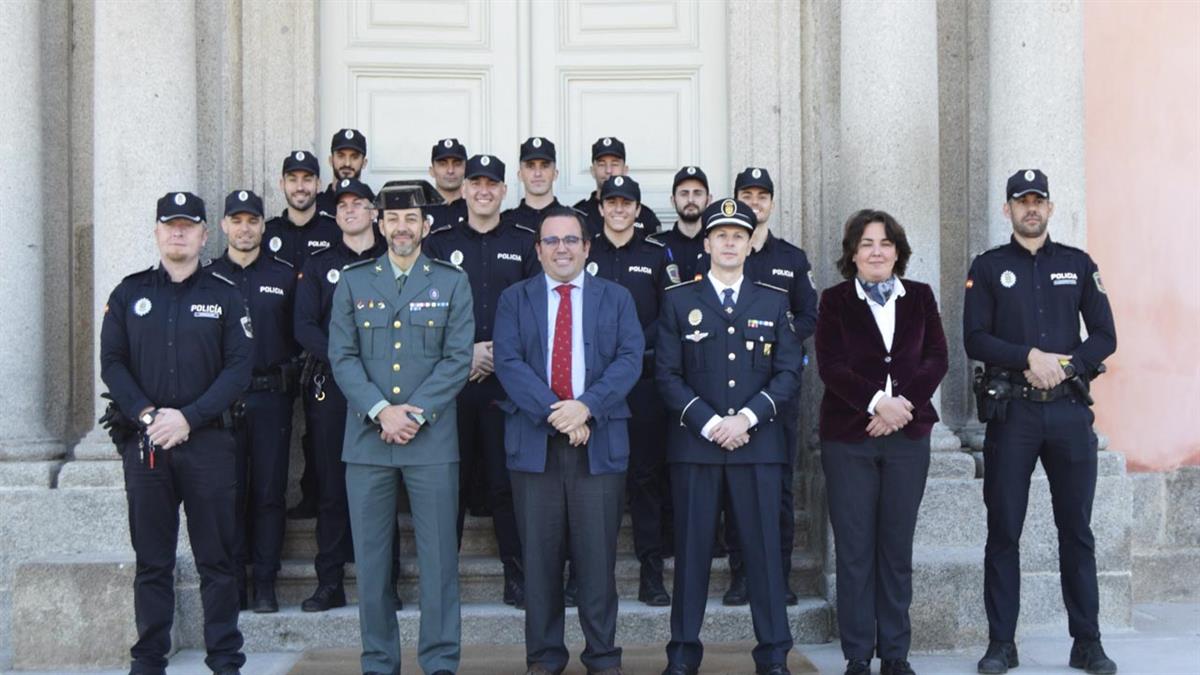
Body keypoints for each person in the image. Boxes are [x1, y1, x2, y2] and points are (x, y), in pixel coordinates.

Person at [965, 169, 1118, 675]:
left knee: (1076, 531)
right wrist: (1029, 355)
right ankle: (1001, 644)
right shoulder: (988, 267)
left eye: (1038, 201)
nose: (1030, 209)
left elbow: (1105, 335)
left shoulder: (1078, 264)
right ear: (1007, 210)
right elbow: (974, 338)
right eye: (1021, 201)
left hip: (1069, 414)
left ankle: (1087, 643)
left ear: (1050, 208)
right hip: (1014, 414)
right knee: (1003, 530)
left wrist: (1066, 366)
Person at [99, 191, 252, 675]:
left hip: (208, 444)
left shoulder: (226, 295)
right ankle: (148, 661)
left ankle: (225, 660)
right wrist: (148, 415)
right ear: (157, 233)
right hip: (147, 445)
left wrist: (188, 417)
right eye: (170, 225)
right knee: (152, 562)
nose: (179, 233)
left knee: (217, 561)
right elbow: (112, 364)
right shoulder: (128, 294)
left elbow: (238, 369)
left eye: (188, 226)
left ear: (205, 235)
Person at [329, 180, 473, 675]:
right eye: (393, 219)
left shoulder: (452, 282)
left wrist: (412, 413)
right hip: (367, 441)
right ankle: (378, 662)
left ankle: (440, 661)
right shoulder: (354, 281)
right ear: (380, 224)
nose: (402, 227)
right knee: (371, 564)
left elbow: (457, 359)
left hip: (430, 441)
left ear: (425, 226)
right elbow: (342, 356)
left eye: (411, 219)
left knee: (439, 562)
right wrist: (380, 410)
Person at [493, 206, 644, 675]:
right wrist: (559, 413)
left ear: (587, 247)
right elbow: (509, 362)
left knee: (597, 561)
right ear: (538, 250)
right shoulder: (514, 299)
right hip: (535, 447)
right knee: (539, 562)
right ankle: (544, 657)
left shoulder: (617, 298)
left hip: (597, 445)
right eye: (552, 241)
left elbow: (630, 358)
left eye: (571, 240)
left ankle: (602, 657)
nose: (562, 249)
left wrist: (587, 407)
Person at [657, 198, 802, 675]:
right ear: (706, 244)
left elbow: (788, 373)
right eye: (720, 235)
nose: (729, 243)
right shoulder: (679, 300)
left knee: (764, 556)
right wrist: (709, 423)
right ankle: (683, 655)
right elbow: (667, 375)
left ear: (749, 244)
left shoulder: (773, 301)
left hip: (757, 447)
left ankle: (774, 654)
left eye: (738, 236)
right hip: (696, 448)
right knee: (692, 556)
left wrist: (746, 419)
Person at [815, 209, 949, 675]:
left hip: (907, 437)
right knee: (854, 551)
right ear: (853, 253)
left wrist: (901, 407)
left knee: (896, 549)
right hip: (848, 440)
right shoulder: (834, 300)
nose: (877, 251)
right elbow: (830, 366)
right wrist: (876, 403)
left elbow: (937, 358)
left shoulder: (920, 296)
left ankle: (895, 653)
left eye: (886, 243)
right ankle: (857, 654)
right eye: (867, 243)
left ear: (898, 252)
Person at [424, 154, 539, 607]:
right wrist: (466, 352)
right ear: (465, 189)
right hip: (452, 382)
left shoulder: (524, 242)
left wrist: (495, 355)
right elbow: (428, 309)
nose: (484, 191)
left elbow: (535, 309)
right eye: (476, 183)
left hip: (507, 384)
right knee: (448, 484)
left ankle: (518, 577)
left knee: (505, 483)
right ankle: (442, 583)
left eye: (492, 184)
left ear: (504, 191)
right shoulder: (440, 243)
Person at [718, 167, 819, 607]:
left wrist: (780, 341)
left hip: (777, 391)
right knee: (731, 486)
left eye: (762, 196)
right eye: (747, 194)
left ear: (772, 203)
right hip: (726, 389)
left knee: (778, 487)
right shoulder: (724, 252)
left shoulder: (791, 259)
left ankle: (778, 576)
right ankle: (741, 575)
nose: (755, 202)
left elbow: (810, 314)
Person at [293, 177, 386, 611]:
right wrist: (346, 361)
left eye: (358, 203)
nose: (349, 210)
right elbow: (304, 326)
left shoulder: (392, 259)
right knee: (332, 487)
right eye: (342, 205)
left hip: (386, 388)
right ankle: (329, 581)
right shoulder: (319, 265)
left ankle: (384, 583)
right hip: (332, 387)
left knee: (384, 487)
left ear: (373, 211)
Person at [210, 189, 301, 614]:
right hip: (220, 404)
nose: (245, 229)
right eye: (237, 220)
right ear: (224, 226)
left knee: (268, 493)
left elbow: (300, 335)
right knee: (227, 494)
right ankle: (232, 583)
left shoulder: (284, 276)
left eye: (252, 221)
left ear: (264, 226)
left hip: (271, 399)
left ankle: (265, 582)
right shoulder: (208, 278)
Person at [586, 175, 673, 606]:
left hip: (642, 383)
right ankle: (582, 576)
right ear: (601, 207)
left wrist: (630, 348)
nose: (619, 209)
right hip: (591, 386)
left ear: (638, 210)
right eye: (612, 202)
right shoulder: (585, 252)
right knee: (589, 481)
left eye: (627, 203)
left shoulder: (656, 255)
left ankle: (651, 575)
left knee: (645, 479)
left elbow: (670, 313)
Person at [266, 150, 341, 521]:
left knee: (318, 426)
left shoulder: (332, 231)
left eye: (307, 179)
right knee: (277, 433)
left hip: (319, 353)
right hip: (278, 350)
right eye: (293, 179)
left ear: (318, 183)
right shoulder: (268, 232)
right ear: (282, 184)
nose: (300, 187)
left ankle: (315, 495)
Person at [572, 136, 662, 234]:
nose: (608, 170)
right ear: (592, 171)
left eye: (614, 164)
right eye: (602, 164)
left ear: (625, 170)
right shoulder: (577, 215)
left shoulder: (645, 216)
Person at [647, 166, 711, 284]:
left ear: (708, 199)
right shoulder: (657, 246)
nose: (690, 200)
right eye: (684, 193)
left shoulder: (717, 244)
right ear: (673, 200)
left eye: (697, 193)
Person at [501, 136, 565, 230]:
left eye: (544, 166)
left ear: (555, 174)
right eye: (530, 166)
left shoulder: (571, 221)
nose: (537, 173)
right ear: (520, 175)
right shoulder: (504, 222)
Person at [315, 128, 370, 219]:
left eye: (354, 157)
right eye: (341, 156)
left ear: (364, 163)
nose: (347, 163)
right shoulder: (315, 207)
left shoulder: (373, 206)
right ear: (331, 160)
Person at [426, 137, 468, 230]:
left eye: (457, 164)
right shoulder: (421, 210)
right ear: (432, 171)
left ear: (466, 170)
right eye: (442, 164)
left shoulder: (474, 209)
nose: (450, 170)